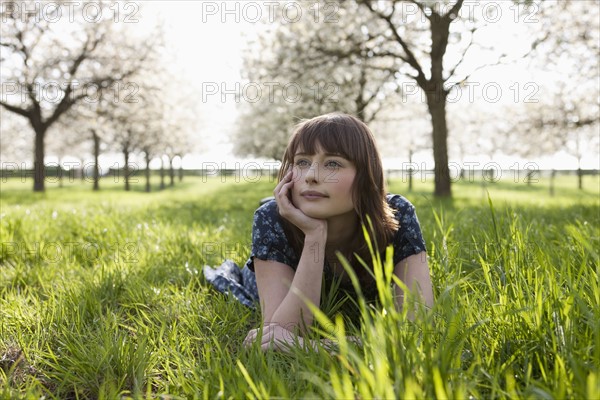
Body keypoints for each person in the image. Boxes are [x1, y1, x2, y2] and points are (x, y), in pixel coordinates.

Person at [204, 112, 434, 351]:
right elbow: (279, 334)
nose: (311, 175)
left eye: (333, 163)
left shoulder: (397, 214)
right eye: (302, 162)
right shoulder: (271, 218)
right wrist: (314, 236)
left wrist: (313, 347)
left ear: (366, 175)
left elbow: (415, 330)